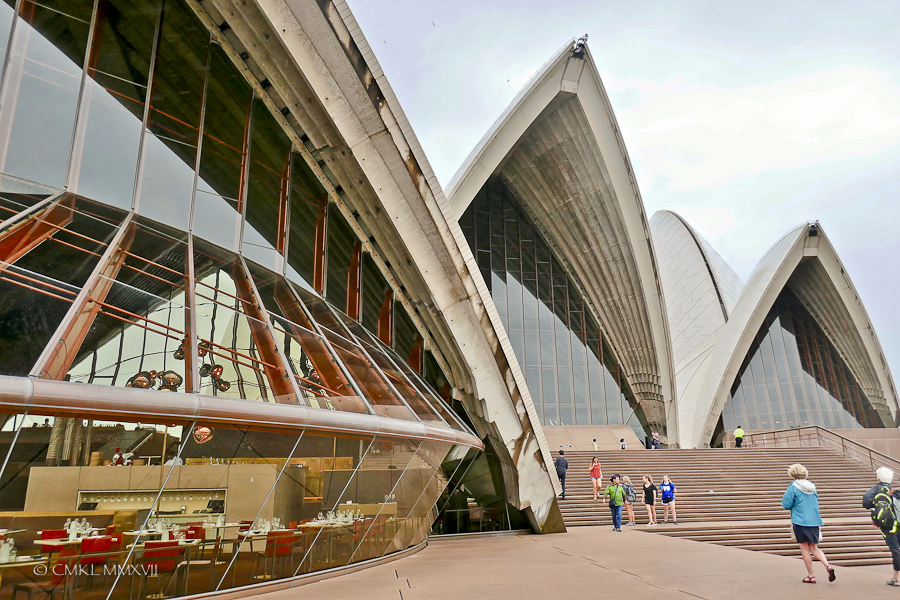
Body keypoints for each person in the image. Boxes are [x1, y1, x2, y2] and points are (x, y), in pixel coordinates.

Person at [781, 463, 835, 584]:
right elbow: (816, 503)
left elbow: (786, 504)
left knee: (804, 548)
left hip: (800, 520)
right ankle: (828, 566)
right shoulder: (812, 487)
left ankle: (811, 576)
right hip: (814, 520)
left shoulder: (793, 487)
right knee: (814, 548)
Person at [862, 467, 900, 586]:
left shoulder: (876, 489)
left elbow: (866, 502)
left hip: (887, 524)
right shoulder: (894, 491)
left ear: (878, 478)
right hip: (898, 522)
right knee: (897, 549)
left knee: (895, 550)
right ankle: (895, 577)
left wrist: (875, 506)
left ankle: (896, 579)